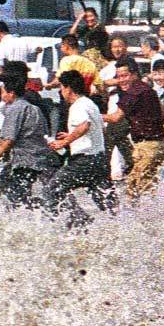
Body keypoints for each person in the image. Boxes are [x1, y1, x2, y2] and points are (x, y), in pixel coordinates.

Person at [39, 68, 111, 223]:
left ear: (68, 88)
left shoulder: (78, 105)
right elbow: (100, 130)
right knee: (106, 201)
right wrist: (72, 136)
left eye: (61, 88)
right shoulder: (90, 104)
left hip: (84, 161)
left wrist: (65, 141)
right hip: (99, 159)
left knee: (52, 189)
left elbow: (84, 125)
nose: (61, 92)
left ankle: (73, 221)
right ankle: (121, 225)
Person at [0, 67, 54, 204]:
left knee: (16, 196)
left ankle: (39, 209)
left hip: (24, 160)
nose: (1, 94)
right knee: (23, 192)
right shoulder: (33, 107)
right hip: (40, 156)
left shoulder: (15, 109)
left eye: (2, 91)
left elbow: (9, 139)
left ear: (11, 93)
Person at [103, 59, 164, 199]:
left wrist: (93, 115)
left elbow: (115, 118)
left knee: (139, 189)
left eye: (125, 76)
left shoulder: (134, 92)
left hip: (148, 147)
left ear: (135, 75)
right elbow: (162, 112)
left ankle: (149, 218)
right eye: (118, 77)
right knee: (138, 187)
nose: (121, 80)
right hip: (154, 145)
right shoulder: (146, 89)